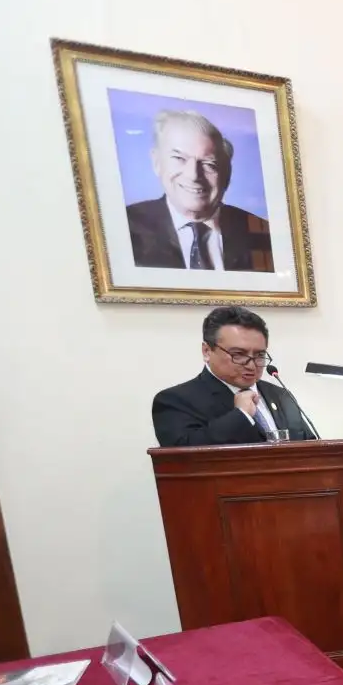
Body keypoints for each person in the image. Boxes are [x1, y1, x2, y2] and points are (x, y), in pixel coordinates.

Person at [125, 110, 273, 272]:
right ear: (156, 162)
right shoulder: (125, 228)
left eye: (209, 164)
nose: (193, 175)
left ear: (226, 175)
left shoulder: (264, 234)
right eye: (179, 158)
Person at [151, 306, 317, 447]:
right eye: (238, 354)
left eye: (259, 355)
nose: (251, 365)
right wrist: (241, 416)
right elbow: (185, 458)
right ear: (207, 351)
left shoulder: (280, 395)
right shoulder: (175, 401)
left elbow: (309, 447)